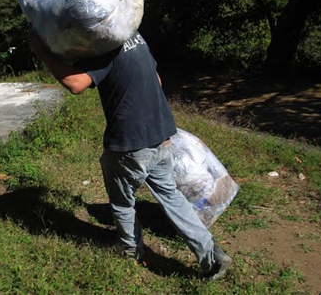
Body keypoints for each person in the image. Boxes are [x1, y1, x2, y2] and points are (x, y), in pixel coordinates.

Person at [28, 29, 232, 281]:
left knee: (123, 201)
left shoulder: (104, 45)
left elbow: (76, 84)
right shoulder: (133, 35)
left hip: (130, 143)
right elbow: (156, 79)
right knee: (171, 196)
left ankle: (130, 250)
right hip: (160, 134)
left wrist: (42, 52)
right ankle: (212, 255)